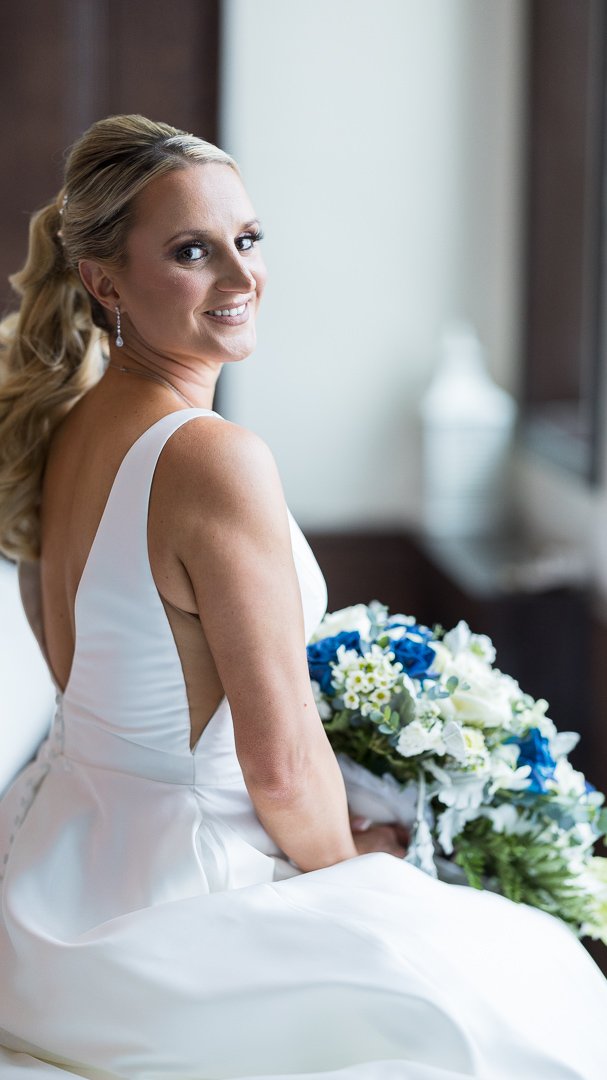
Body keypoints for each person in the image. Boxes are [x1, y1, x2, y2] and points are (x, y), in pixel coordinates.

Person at [0, 115, 604, 1080]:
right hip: (177, 896)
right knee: (536, 990)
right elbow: (277, 769)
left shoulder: (71, 425)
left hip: (67, 877)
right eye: (193, 252)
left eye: (247, 240)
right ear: (104, 281)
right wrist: (357, 871)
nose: (241, 281)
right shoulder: (212, 459)